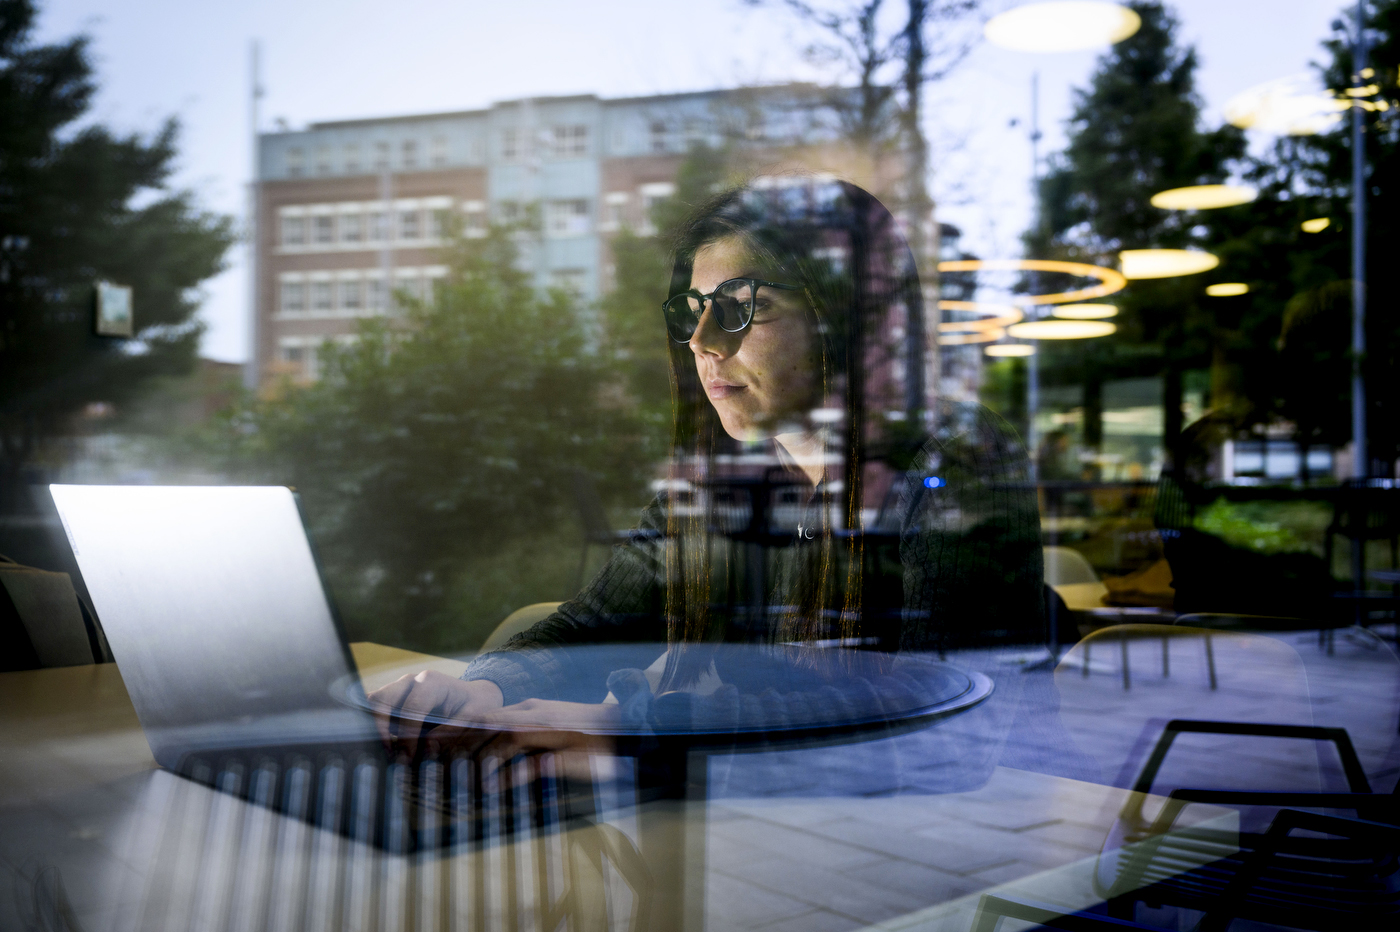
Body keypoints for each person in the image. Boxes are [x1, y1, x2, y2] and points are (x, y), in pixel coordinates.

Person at [369, 176, 1043, 757]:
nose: (700, 343)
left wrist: (627, 728)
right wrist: (479, 689)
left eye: (742, 308)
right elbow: (597, 624)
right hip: (755, 825)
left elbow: (932, 710)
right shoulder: (723, 482)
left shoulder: (954, 469)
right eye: (693, 312)